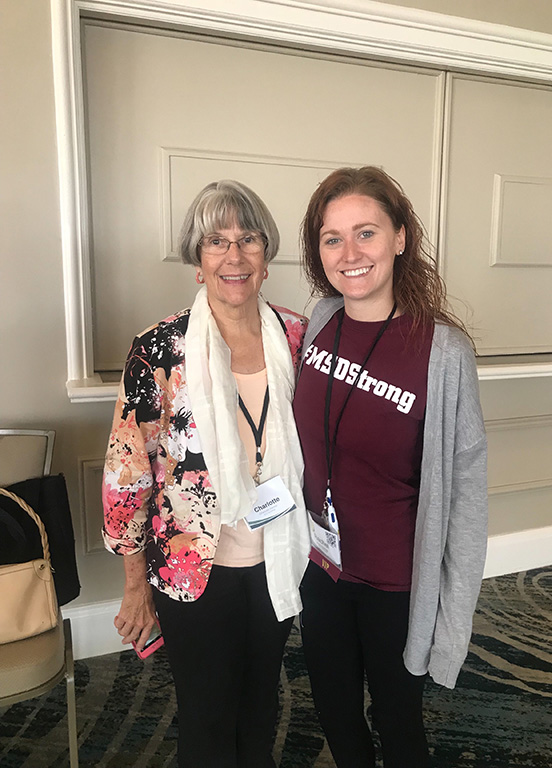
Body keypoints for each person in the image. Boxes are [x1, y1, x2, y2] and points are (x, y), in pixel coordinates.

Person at [102, 180, 310, 768]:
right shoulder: (158, 350)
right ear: (198, 262)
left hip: (276, 556)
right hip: (196, 570)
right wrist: (135, 583)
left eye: (248, 240)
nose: (234, 256)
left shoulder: (297, 337)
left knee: (261, 708)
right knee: (207, 718)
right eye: (216, 242)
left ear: (266, 258)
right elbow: (127, 475)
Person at [293, 166, 488, 768]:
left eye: (367, 233)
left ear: (400, 238)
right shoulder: (320, 320)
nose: (349, 253)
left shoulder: (442, 351)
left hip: (395, 583)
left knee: (399, 721)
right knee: (334, 708)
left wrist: (452, 617)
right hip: (320, 566)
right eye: (332, 238)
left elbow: (465, 495)